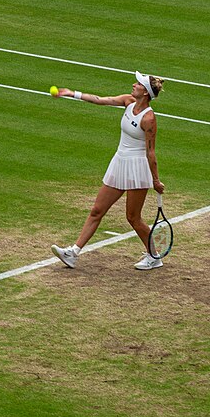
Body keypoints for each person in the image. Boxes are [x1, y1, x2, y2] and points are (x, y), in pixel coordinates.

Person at [49, 73, 166, 272]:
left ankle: (154, 256)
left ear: (145, 92)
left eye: (138, 84)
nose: (133, 85)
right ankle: (73, 253)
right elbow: (99, 100)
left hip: (137, 168)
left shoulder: (148, 118)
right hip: (119, 162)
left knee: (133, 218)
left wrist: (155, 180)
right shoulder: (128, 101)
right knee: (97, 210)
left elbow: (151, 152)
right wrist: (72, 93)